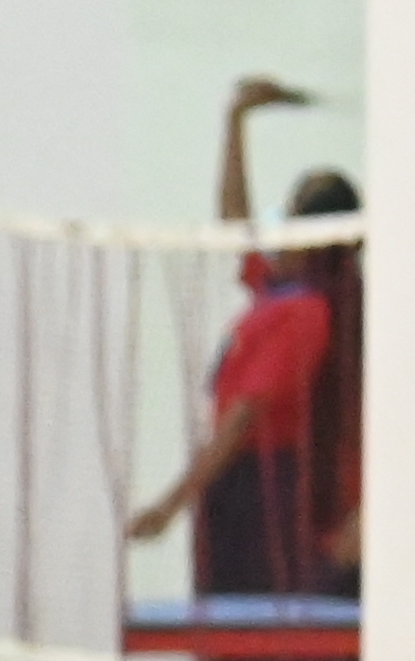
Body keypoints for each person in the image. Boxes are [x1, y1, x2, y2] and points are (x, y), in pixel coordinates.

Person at [127, 76, 363, 595]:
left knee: (255, 621)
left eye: (292, 214)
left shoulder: (304, 311)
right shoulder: (280, 290)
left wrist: (170, 504)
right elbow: (236, 223)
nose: (276, 226)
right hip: (240, 483)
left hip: (266, 489)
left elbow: (241, 422)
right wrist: (235, 122)